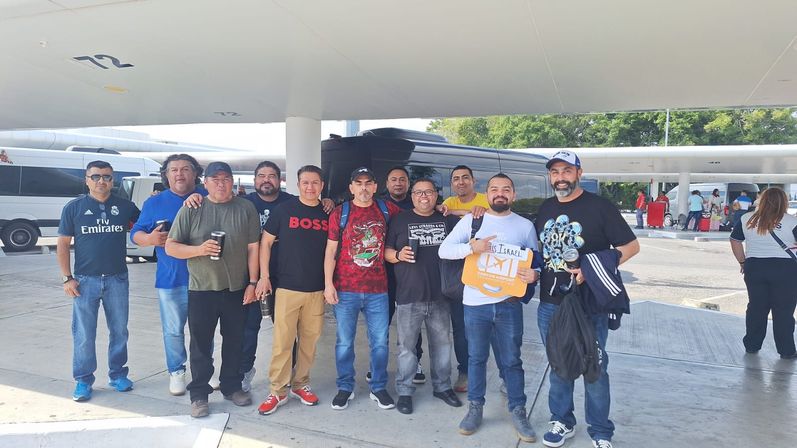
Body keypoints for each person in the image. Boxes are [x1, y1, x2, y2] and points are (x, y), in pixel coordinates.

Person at [184, 161, 333, 392]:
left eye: (272, 176)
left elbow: (314, 208)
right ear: (254, 181)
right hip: (253, 278)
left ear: (280, 181)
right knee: (248, 328)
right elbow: (258, 242)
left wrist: (327, 201)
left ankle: (294, 378)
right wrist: (195, 196)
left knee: (290, 334)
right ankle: (244, 373)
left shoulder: (289, 202)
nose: (267, 180)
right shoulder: (246, 203)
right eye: (261, 176)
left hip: (288, 280)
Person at [535, 151, 639, 448]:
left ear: (579, 173)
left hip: (590, 302)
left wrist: (592, 270)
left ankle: (601, 430)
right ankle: (562, 421)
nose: (560, 177)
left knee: (595, 365)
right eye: (555, 171)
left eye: (566, 170)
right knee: (559, 363)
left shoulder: (600, 207)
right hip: (550, 302)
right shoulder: (545, 208)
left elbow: (631, 247)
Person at [439, 173, 540, 442]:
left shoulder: (525, 226)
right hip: (475, 305)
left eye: (506, 189)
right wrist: (471, 248)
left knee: (512, 361)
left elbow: (534, 261)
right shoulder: (472, 220)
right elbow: (443, 251)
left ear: (513, 195)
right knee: (476, 359)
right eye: (495, 189)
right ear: (488, 193)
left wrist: (536, 275)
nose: (500, 193)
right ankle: (475, 408)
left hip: (509, 305)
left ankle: (518, 410)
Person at [165, 161, 261, 418]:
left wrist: (253, 282)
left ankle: (231, 386)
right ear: (204, 182)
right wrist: (199, 250)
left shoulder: (246, 208)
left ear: (233, 182)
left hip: (237, 288)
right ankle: (199, 394)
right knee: (200, 344)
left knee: (234, 341)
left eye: (226, 178)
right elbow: (171, 246)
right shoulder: (192, 207)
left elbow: (254, 248)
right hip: (202, 288)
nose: (221, 183)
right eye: (215, 179)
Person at [57, 160, 141, 402]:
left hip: (117, 279)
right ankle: (83, 380)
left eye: (106, 177)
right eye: (95, 177)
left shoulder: (125, 207)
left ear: (112, 180)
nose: (101, 181)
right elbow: (63, 244)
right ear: (87, 180)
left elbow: (144, 226)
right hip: (84, 281)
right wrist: (67, 278)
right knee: (84, 334)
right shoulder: (74, 208)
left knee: (119, 331)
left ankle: (117, 375)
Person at [324, 167, 400, 411]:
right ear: (351, 187)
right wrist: (328, 285)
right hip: (345, 289)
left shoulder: (388, 210)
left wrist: (445, 209)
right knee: (344, 342)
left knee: (380, 342)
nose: (364, 187)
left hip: (378, 290)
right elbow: (330, 252)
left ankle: (378, 387)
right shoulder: (340, 213)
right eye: (359, 183)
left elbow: (417, 217)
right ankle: (345, 387)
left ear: (376, 186)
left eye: (369, 182)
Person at [255, 165, 330, 415]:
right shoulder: (284, 210)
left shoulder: (328, 212)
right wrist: (264, 277)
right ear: (298, 184)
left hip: (317, 289)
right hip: (286, 287)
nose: (310, 187)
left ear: (322, 185)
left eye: (315, 183)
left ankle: (301, 384)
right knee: (282, 343)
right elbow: (265, 243)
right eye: (305, 182)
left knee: (309, 342)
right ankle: (277, 391)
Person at [131, 154, 206, 396]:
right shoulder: (154, 203)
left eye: (185, 169)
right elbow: (136, 233)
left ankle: (205, 370)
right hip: (171, 279)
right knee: (173, 331)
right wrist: (150, 239)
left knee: (203, 330)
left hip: (205, 279)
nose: (180, 174)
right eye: (174, 170)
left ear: (195, 173)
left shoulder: (209, 197)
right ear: (166, 174)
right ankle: (176, 372)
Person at [385, 178, 462, 415]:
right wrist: (399, 254)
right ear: (412, 195)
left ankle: (442, 387)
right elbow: (386, 253)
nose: (424, 196)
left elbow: (474, 219)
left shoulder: (447, 219)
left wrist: (451, 209)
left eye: (429, 192)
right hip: (409, 296)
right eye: (419, 192)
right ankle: (405, 391)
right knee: (406, 348)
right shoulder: (399, 220)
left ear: (436, 196)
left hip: (441, 295)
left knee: (441, 345)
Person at [729, 187, 797, 360]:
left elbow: (735, 240)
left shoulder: (747, 219)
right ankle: (786, 350)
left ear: (763, 200)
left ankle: (752, 345)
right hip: (786, 269)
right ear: (784, 202)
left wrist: (742, 262)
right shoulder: (791, 221)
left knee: (756, 307)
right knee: (783, 310)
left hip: (755, 267)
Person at [438, 165, 489, 394]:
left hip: (486, 273)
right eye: (456, 179)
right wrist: (464, 214)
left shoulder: (486, 200)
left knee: (493, 328)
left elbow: (497, 218)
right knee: (460, 328)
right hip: (458, 274)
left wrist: (464, 214)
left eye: (465, 178)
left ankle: (504, 374)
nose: (461, 182)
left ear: (474, 181)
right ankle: (466, 371)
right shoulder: (448, 203)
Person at [382, 166, 425, 384]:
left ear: (408, 184)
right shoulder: (378, 204)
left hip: (412, 273)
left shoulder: (419, 202)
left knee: (413, 321)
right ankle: (378, 365)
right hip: (384, 274)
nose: (398, 183)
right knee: (381, 322)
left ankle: (415, 362)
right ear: (386, 183)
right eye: (393, 179)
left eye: (402, 179)